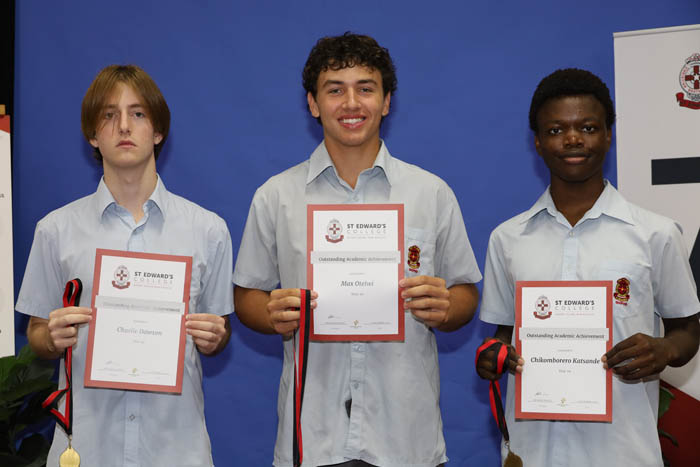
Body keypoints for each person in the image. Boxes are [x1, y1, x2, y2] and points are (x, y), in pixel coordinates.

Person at [233, 32, 481, 467]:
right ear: (313, 104)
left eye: (366, 88)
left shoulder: (431, 193)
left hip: (406, 438)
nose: (351, 103)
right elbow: (246, 296)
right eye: (335, 90)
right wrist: (270, 314)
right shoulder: (276, 196)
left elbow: (465, 293)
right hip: (312, 436)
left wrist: (446, 307)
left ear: (386, 102)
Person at [476, 68, 700, 466]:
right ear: (537, 142)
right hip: (534, 451)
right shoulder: (507, 239)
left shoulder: (656, 234)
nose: (573, 139)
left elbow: (688, 331)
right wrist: (494, 355)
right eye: (556, 130)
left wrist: (664, 348)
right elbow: (504, 335)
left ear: (609, 135)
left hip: (623, 452)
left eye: (588, 127)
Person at [17, 64, 233, 466]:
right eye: (108, 115)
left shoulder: (208, 230)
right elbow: (37, 333)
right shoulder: (55, 230)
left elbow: (220, 332)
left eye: (138, 113)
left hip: (176, 450)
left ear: (158, 130)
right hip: (87, 447)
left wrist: (215, 337)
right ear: (92, 135)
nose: (124, 126)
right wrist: (52, 337)